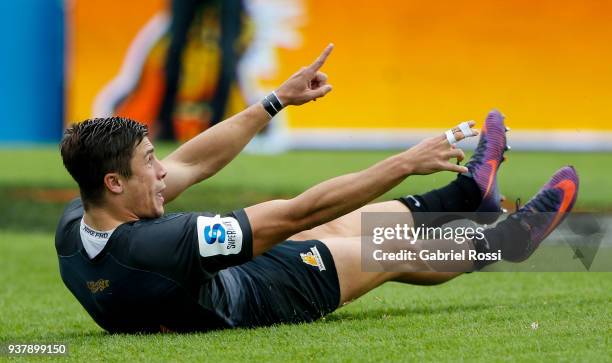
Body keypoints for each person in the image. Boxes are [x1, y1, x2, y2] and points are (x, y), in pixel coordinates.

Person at [56, 44, 579, 333]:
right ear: (114, 182)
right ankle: (508, 241)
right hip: (254, 297)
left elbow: (194, 159)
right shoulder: (154, 245)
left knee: (335, 225)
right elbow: (297, 214)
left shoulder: (79, 221)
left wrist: (274, 102)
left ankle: (468, 198)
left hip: (194, 286)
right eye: (151, 163)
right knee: (381, 249)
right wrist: (406, 161)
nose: (164, 171)